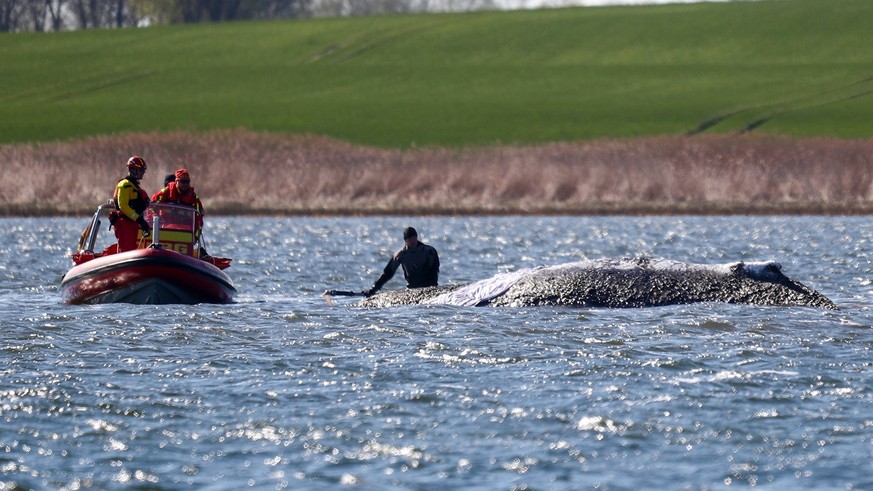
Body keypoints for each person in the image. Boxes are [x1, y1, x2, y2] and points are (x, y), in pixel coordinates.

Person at [365, 227, 439, 297]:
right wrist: (374, 289)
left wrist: (432, 289)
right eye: (410, 239)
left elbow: (434, 271)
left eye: (414, 238)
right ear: (405, 240)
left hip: (429, 288)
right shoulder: (401, 255)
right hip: (412, 289)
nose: (413, 241)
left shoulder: (429, 251)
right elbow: (387, 274)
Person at [151, 168, 208, 256]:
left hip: (184, 234)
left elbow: (199, 218)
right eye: (182, 182)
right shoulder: (166, 192)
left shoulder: (193, 198)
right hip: (164, 230)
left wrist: (195, 237)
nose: (185, 184)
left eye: (187, 182)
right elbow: (152, 207)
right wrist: (153, 224)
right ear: (176, 181)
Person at [111, 155, 151, 252]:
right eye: (141, 170)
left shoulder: (135, 186)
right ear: (133, 170)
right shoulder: (125, 185)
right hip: (125, 223)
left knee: (132, 249)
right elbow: (123, 206)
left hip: (132, 223)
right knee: (126, 250)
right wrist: (139, 219)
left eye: (143, 171)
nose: (143, 173)